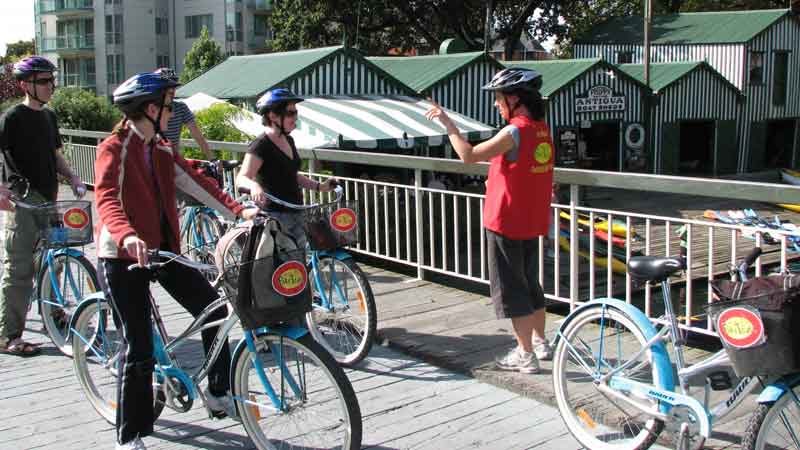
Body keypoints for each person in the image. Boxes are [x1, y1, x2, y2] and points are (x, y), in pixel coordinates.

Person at [94, 71, 257, 450]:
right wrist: (127, 235)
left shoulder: (161, 147)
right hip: (121, 255)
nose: (173, 112)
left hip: (163, 250)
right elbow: (106, 199)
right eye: (169, 105)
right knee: (139, 348)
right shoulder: (114, 148)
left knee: (214, 310)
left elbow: (194, 181)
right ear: (151, 109)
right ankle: (131, 434)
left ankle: (217, 394)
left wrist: (238, 211)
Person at [425, 68, 555, 374]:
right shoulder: (541, 129)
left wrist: (448, 125)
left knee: (513, 289)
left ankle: (525, 355)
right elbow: (521, 169)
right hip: (531, 219)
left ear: (514, 98)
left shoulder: (514, 131)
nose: (496, 104)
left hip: (506, 221)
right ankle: (540, 342)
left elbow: (468, 155)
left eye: (498, 98)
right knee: (531, 284)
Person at [0, 56, 86, 357]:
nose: (51, 86)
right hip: (22, 201)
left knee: (55, 262)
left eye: (52, 80)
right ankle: (8, 335)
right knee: (19, 269)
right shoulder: (11, 118)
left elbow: (54, 154)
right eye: (44, 81)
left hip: (49, 199)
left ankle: (53, 311)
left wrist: (73, 175)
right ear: (26, 85)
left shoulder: (48, 117)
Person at [236, 88, 337, 247]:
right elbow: (242, 178)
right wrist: (254, 185)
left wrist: (319, 186)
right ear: (273, 115)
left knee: (299, 261)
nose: (295, 117)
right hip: (275, 218)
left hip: (296, 211)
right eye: (290, 113)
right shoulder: (261, 145)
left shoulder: (289, 140)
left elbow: (292, 175)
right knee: (283, 267)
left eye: (296, 113)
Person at [155, 68, 216, 161]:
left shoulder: (181, 107)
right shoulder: (151, 109)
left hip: (173, 159)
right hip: (154, 158)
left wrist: (212, 159)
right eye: (168, 88)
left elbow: (197, 135)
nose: (172, 91)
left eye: (174, 87)